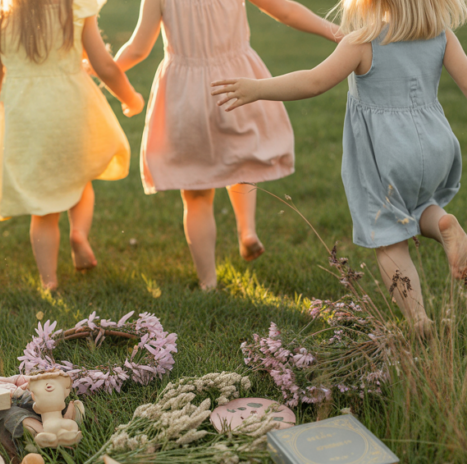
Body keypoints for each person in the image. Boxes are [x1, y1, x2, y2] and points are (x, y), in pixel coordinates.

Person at [212, 0, 467, 335]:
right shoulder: (441, 35)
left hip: (388, 156)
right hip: (436, 147)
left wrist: (258, 88)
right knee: (419, 205)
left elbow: (314, 81)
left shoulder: (363, 40)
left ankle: (418, 318)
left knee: (389, 239)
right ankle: (442, 224)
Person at [113, 0, 340, 290]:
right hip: (238, 84)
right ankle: (247, 230)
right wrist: (338, 32)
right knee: (240, 158)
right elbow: (285, 10)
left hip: (187, 95)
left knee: (196, 196)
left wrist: (104, 68)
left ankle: (208, 281)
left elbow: (138, 48)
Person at [0, 0, 144, 291]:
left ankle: (49, 280)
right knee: (81, 178)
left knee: (43, 209)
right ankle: (79, 235)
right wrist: (131, 98)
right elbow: (105, 66)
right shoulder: (75, 10)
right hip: (72, 110)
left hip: (27, 122)